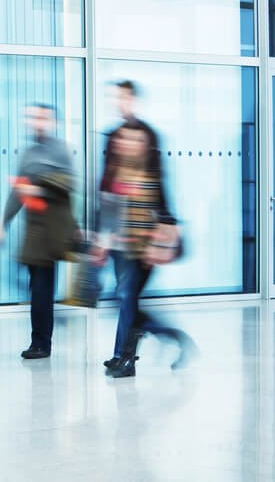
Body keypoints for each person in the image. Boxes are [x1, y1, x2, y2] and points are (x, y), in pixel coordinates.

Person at [102, 122, 197, 378]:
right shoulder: (118, 171)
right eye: (124, 139)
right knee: (123, 303)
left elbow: (165, 213)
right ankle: (131, 351)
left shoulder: (150, 176)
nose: (127, 144)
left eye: (134, 140)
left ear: (143, 146)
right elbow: (112, 210)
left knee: (126, 302)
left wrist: (157, 244)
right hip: (122, 251)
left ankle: (129, 359)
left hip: (142, 255)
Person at [97, 80, 169, 370]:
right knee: (124, 296)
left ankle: (126, 356)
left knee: (127, 296)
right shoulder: (112, 136)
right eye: (117, 98)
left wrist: (165, 225)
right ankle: (125, 352)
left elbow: (160, 187)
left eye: (124, 98)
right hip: (118, 233)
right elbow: (106, 186)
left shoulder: (149, 136)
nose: (119, 103)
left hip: (141, 237)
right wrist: (101, 231)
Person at [1, 103, 77, 360]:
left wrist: (40, 188)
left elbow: (70, 183)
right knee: (34, 286)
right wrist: (4, 222)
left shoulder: (60, 151)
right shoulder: (29, 153)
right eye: (33, 117)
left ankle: (42, 343)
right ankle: (41, 338)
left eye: (43, 118)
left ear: (53, 122)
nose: (37, 122)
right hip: (33, 228)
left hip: (52, 228)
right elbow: (18, 190)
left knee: (42, 289)